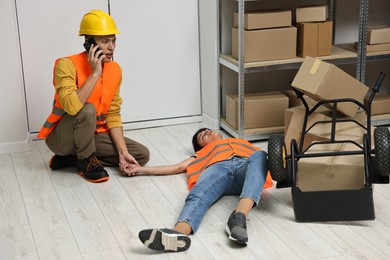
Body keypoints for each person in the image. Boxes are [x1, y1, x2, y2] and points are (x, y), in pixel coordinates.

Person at [37, 10, 150, 183]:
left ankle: (73, 158)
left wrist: (122, 153)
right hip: (61, 138)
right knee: (87, 109)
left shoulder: (115, 70)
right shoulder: (66, 65)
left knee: (140, 155)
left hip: (92, 134)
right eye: (105, 41)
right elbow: (71, 106)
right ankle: (85, 161)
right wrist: (95, 73)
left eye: (113, 41)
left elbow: (112, 114)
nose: (111, 47)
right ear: (89, 43)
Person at [124, 128, 273, 252]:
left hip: (244, 169)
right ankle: (177, 234)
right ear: (201, 147)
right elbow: (177, 167)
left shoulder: (242, 142)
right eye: (203, 135)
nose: (208, 131)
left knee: (261, 155)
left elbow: (271, 161)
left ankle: (238, 218)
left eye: (208, 130)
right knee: (198, 193)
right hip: (217, 169)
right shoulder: (202, 153)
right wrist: (140, 168)